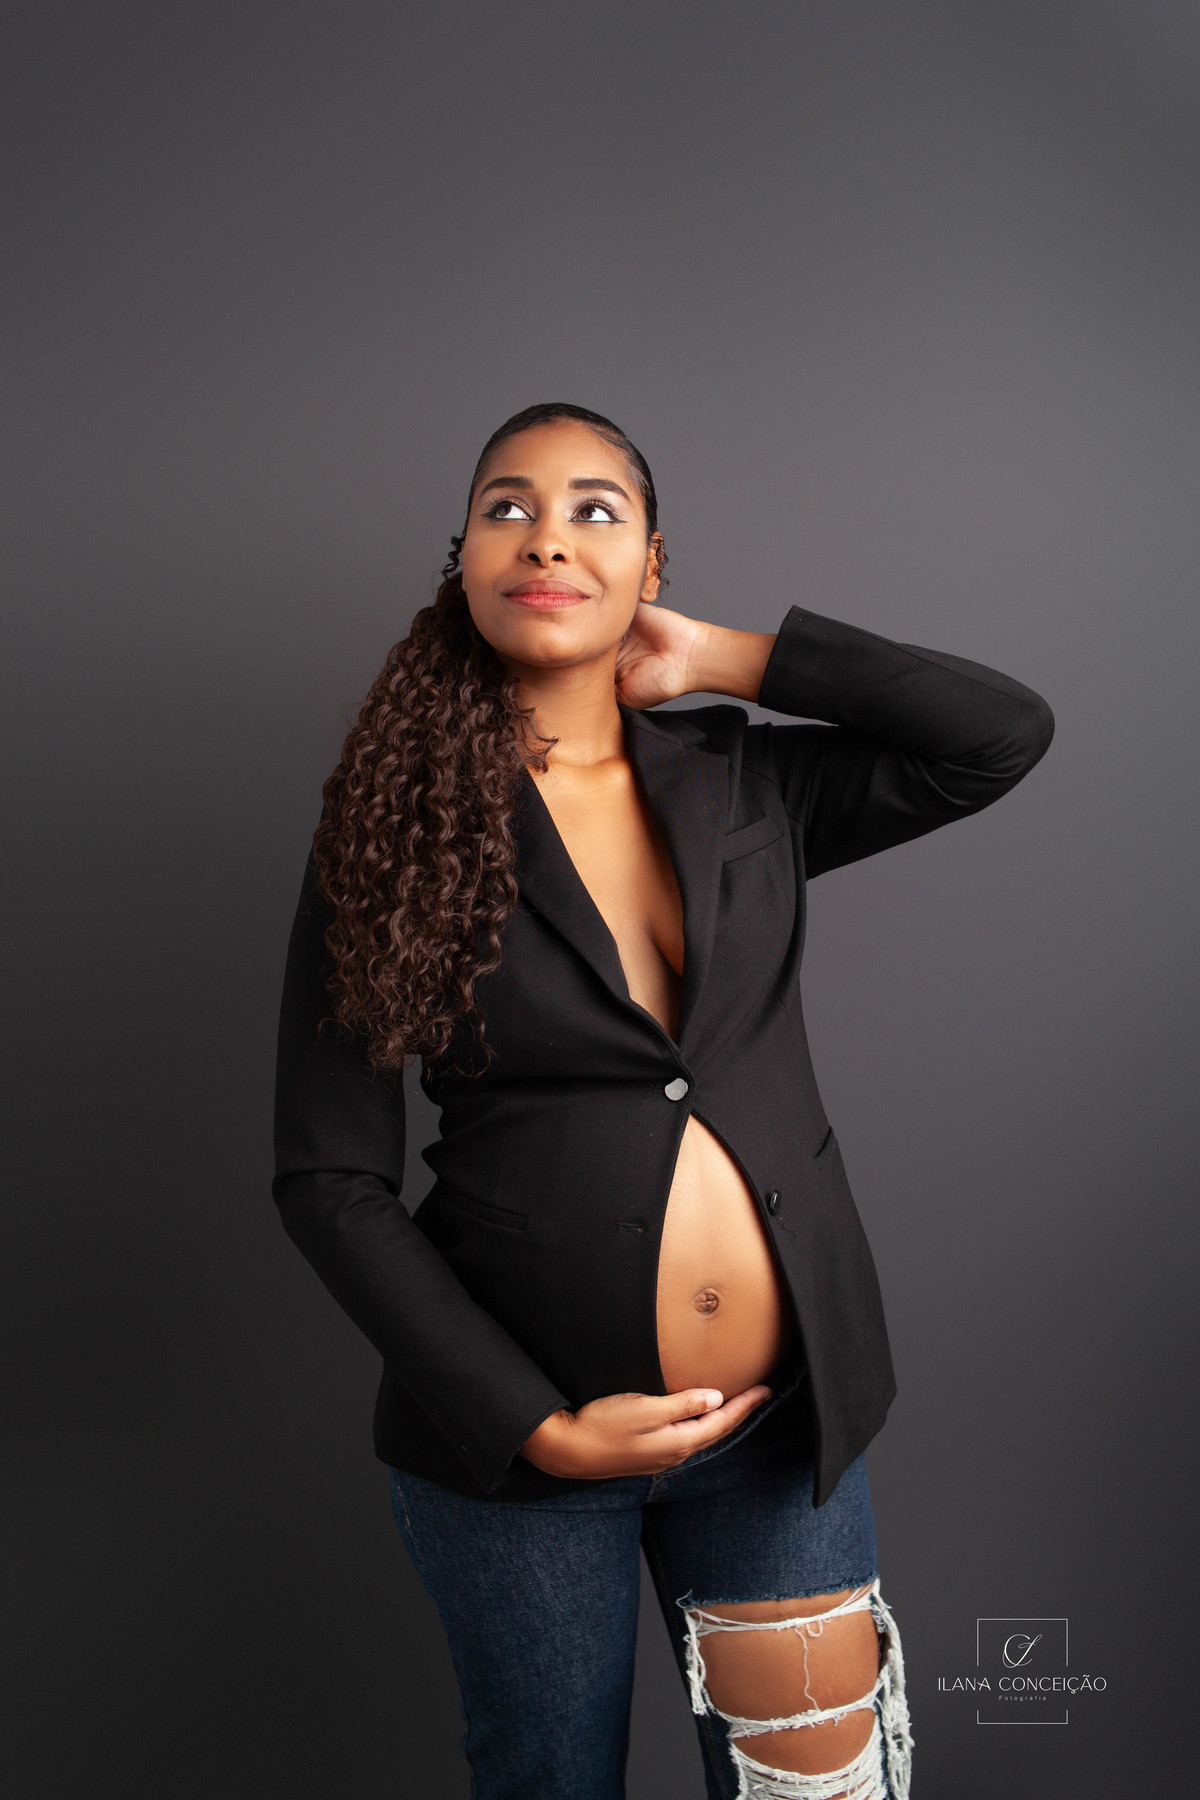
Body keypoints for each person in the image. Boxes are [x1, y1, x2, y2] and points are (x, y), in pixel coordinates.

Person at [272, 402, 1054, 1800]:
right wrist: (534, 1422)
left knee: (822, 1791)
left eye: (593, 510)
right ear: (461, 559)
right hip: (518, 1460)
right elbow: (328, 1178)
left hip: (774, 1432)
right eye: (505, 507)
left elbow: (998, 734)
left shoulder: (745, 775)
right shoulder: (391, 827)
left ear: (650, 564)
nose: (546, 535)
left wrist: (732, 657)